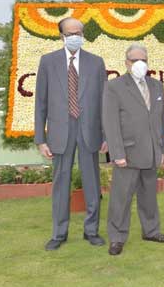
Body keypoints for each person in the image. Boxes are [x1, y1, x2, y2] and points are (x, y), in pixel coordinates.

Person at [34, 17, 108, 251]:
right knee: (61, 183)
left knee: (92, 183)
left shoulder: (96, 63)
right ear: (61, 36)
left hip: (89, 131)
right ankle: (59, 233)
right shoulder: (48, 62)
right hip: (59, 132)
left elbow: (104, 102)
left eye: (79, 32)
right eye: (71, 32)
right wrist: (40, 139)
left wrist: (106, 135)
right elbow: (41, 103)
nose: (76, 36)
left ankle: (91, 230)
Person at [102, 44, 164, 256]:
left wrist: (161, 149)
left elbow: (161, 119)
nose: (140, 63)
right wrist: (117, 154)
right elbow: (110, 122)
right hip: (128, 153)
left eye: (143, 59)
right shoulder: (114, 86)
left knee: (149, 196)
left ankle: (151, 231)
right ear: (126, 63)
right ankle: (116, 238)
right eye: (135, 60)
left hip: (151, 152)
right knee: (121, 198)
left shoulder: (156, 85)